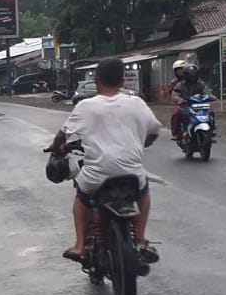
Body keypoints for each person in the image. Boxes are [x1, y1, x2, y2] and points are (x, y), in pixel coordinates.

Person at [47, 57, 161, 265]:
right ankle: (140, 241)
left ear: (96, 79)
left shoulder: (85, 106)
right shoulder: (137, 103)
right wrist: (142, 143)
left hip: (97, 175)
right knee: (143, 192)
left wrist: (56, 147)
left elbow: (62, 135)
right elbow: (154, 131)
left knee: (81, 196)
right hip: (132, 173)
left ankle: (80, 246)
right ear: (122, 81)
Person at [168, 59, 209, 142]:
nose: (180, 71)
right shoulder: (179, 84)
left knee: (210, 112)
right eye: (178, 70)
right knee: (177, 113)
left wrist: (210, 96)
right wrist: (178, 98)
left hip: (198, 103)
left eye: (182, 69)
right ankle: (177, 132)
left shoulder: (200, 83)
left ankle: (211, 129)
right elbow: (174, 93)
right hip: (184, 104)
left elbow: (207, 91)